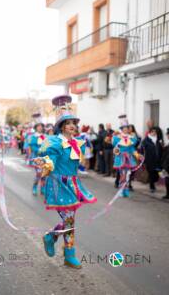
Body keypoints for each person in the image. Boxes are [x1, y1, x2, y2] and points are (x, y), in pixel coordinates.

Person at [34, 95, 97, 269]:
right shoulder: (54, 142)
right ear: (61, 126)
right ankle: (69, 254)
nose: (72, 126)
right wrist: (47, 164)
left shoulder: (78, 143)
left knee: (70, 220)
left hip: (73, 184)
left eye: (74, 123)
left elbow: (80, 163)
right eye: (68, 123)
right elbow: (49, 161)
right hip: (58, 184)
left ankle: (51, 237)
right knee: (70, 220)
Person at [112, 115, 140, 197]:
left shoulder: (131, 138)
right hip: (121, 158)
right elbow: (115, 149)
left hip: (129, 158)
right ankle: (121, 190)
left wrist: (137, 155)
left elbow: (132, 149)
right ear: (121, 129)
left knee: (128, 175)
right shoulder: (117, 138)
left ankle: (126, 190)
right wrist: (118, 155)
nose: (126, 129)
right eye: (124, 128)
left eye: (127, 128)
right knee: (122, 174)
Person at [142, 127, 163, 193]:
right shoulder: (146, 140)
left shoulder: (158, 140)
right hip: (149, 160)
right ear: (150, 132)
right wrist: (143, 159)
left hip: (157, 160)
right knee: (151, 174)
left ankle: (153, 182)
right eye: (153, 131)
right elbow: (142, 150)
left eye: (155, 132)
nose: (154, 133)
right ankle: (152, 187)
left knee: (156, 175)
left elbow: (161, 149)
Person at [161, 128, 169, 199]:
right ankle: (167, 194)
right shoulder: (167, 143)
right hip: (165, 165)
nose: (167, 136)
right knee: (166, 180)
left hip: (167, 165)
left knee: (167, 180)